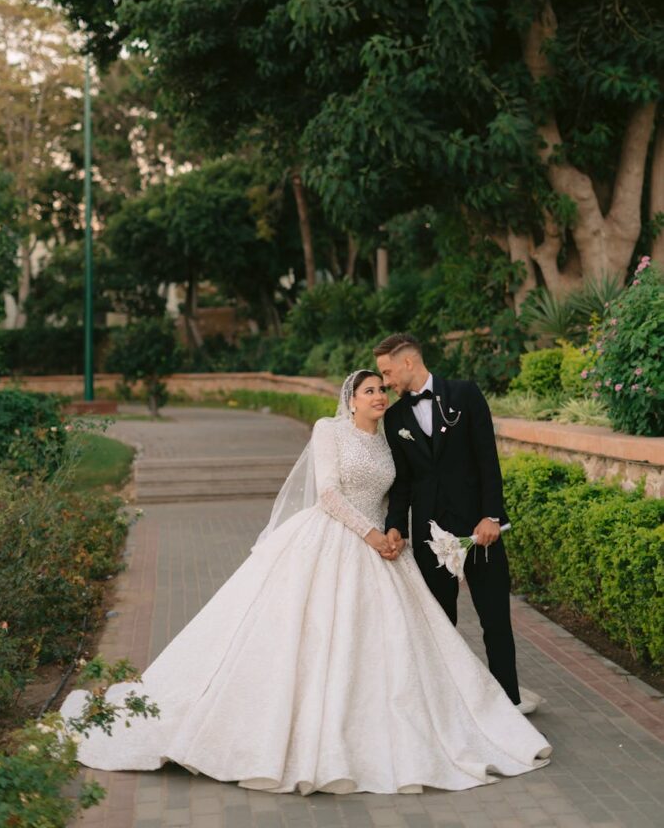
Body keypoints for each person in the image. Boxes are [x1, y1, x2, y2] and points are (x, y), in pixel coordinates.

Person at [60, 370, 550, 794]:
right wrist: (372, 534)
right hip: (331, 540)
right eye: (370, 390)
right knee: (305, 635)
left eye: (382, 389)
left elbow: (398, 492)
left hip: (383, 550)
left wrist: (393, 531)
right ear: (351, 399)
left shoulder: (390, 438)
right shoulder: (327, 430)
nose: (380, 396)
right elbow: (330, 494)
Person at [374, 332, 533, 712]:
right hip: (431, 536)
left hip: (480, 532)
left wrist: (491, 516)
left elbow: (487, 461)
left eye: (387, 371)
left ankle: (508, 703)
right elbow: (403, 482)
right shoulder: (395, 418)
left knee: (495, 621)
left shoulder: (465, 395)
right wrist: (396, 525)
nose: (385, 383)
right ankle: (449, 708)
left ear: (408, 362)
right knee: (440, 625)